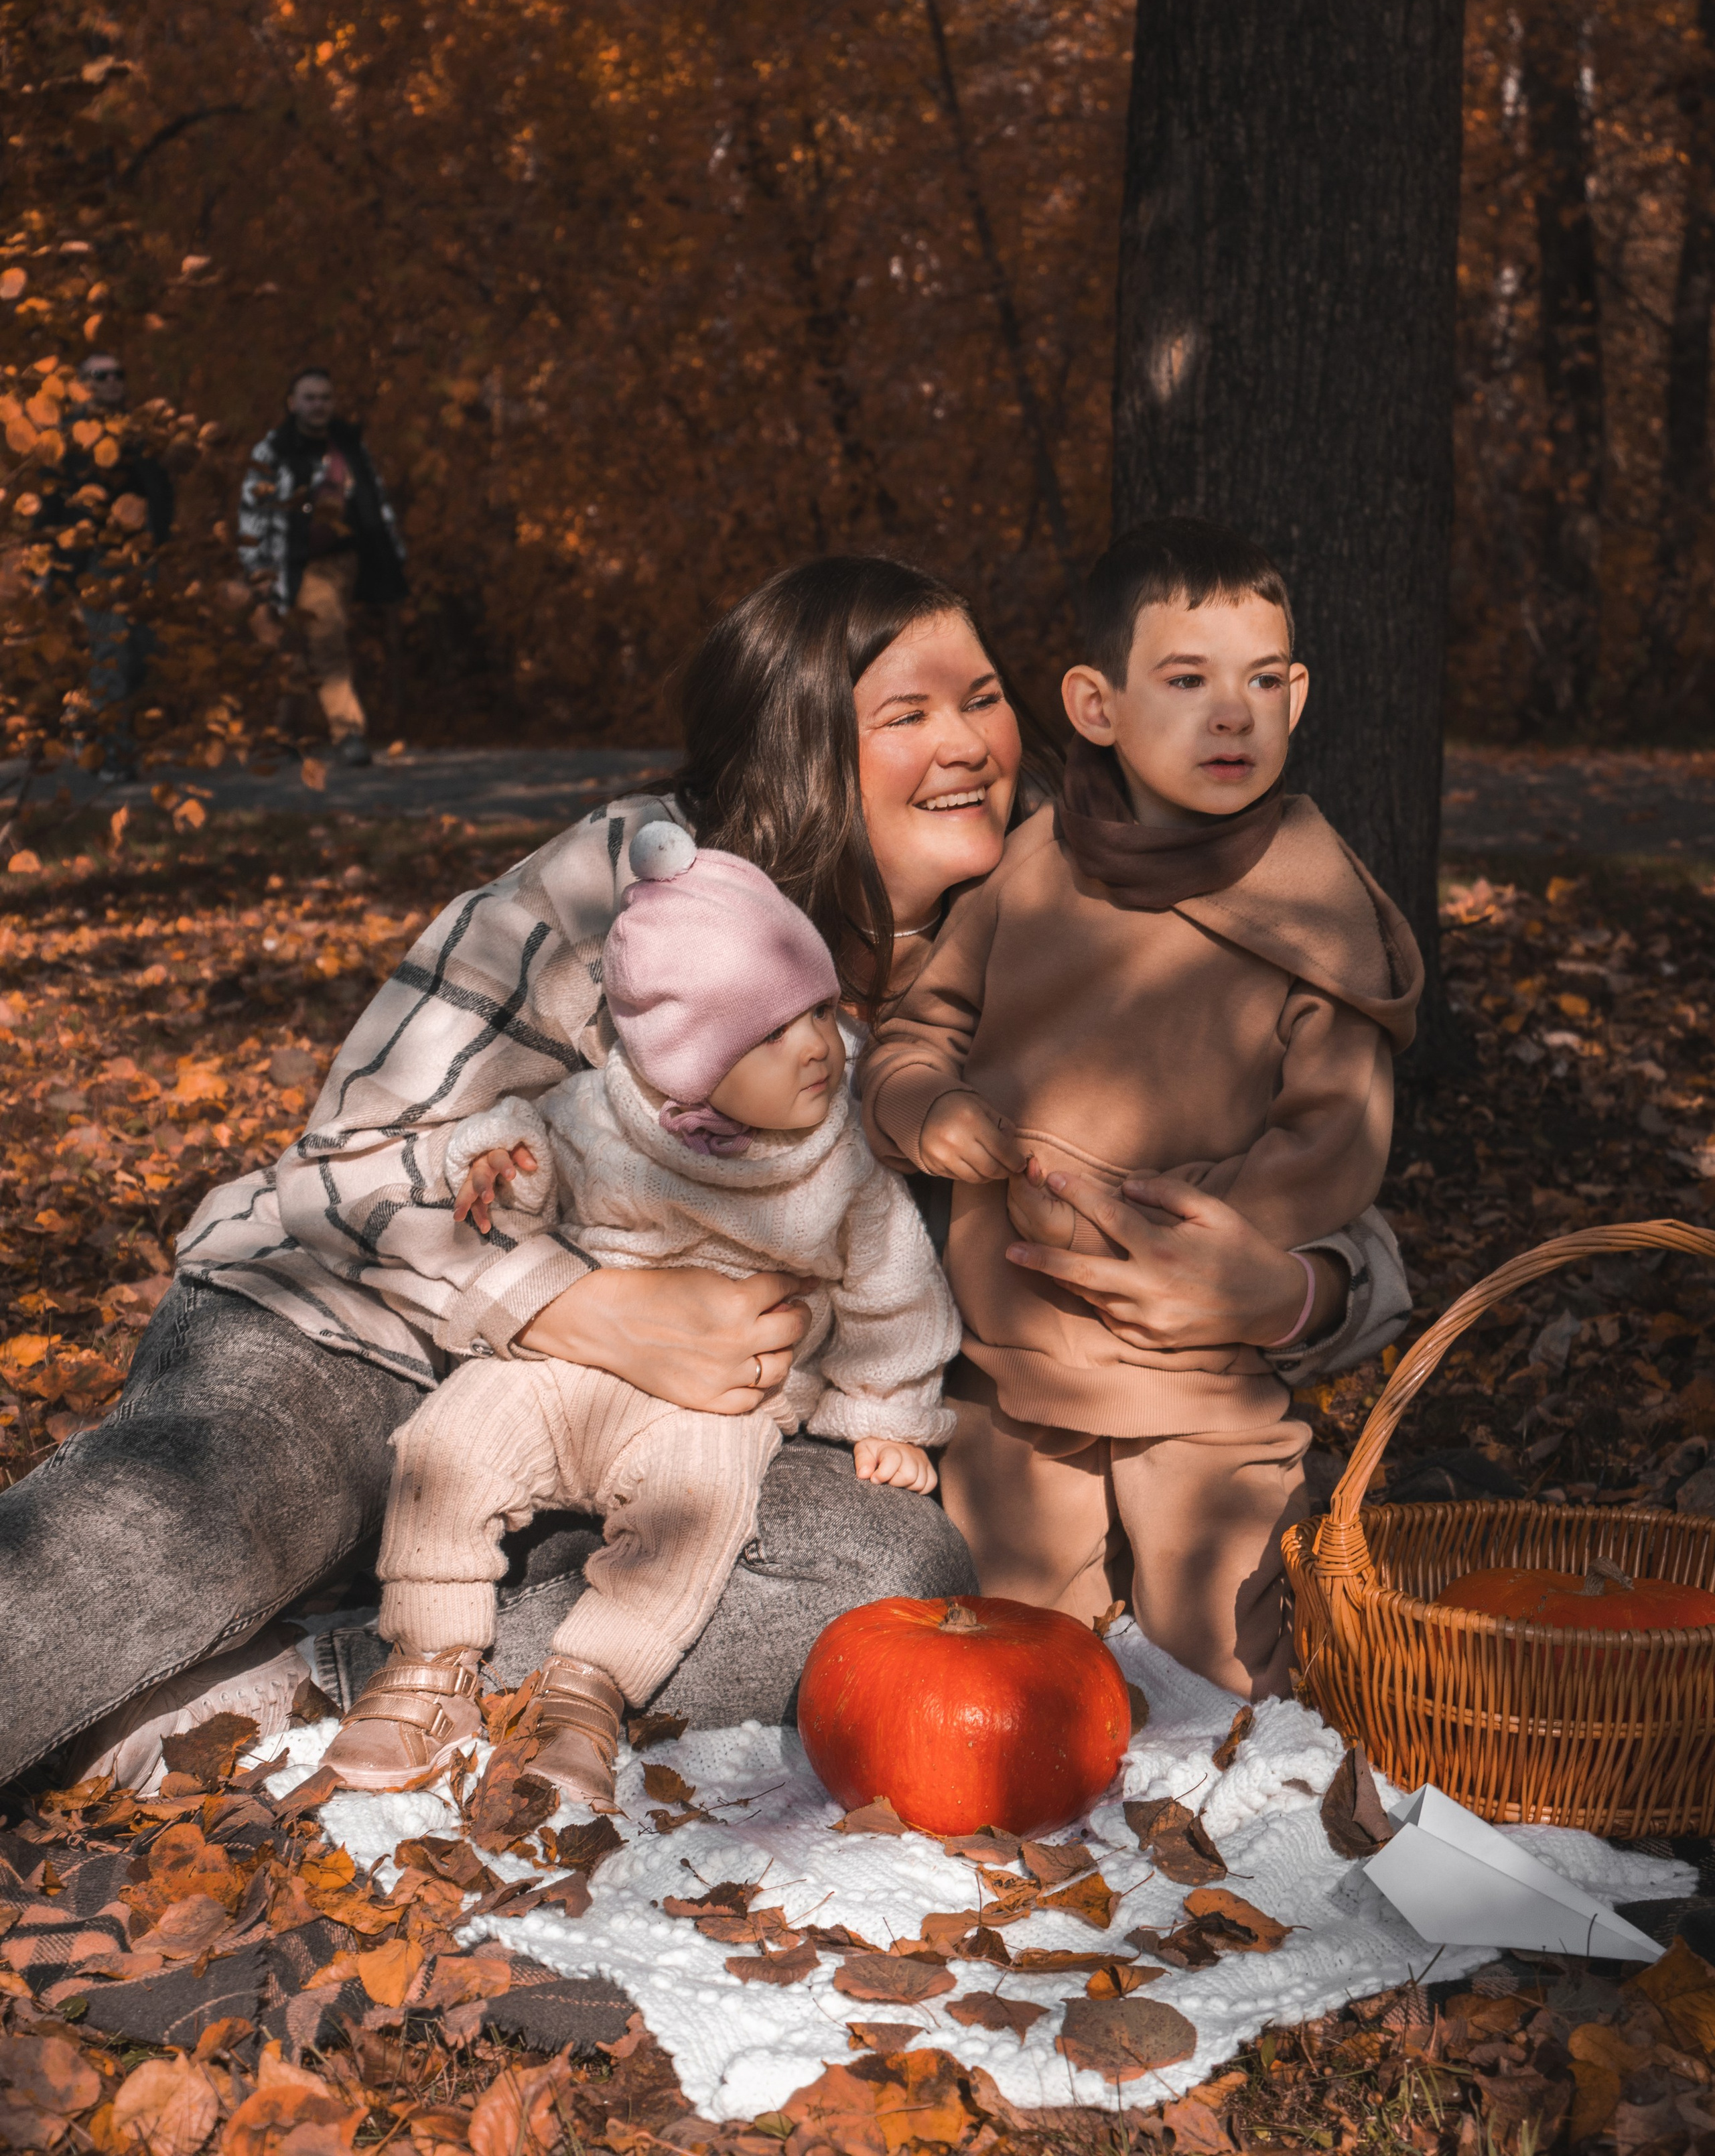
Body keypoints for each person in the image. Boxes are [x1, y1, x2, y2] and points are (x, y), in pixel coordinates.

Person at [0, 553, 1408, 1797]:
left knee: (896, 1577)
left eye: (982, 699)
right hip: (356, 1347)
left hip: (672, 1461)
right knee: (192, 1532)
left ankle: (302, 1683)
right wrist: (566, 1305)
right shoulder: (633, 883)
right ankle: (238, 1592)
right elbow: (341, 1166)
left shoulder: (1055, 923)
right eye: (904, 714)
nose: (971, 742)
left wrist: (1289, 1290)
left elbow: (1325, 1190)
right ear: (804, 749)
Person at [861, 519, 1424, 1698]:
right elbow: (922, 1030)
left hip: (1196, 1367)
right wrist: (930, 1106)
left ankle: (1247, 1837)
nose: (1233, 713)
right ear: (1097, 705)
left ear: (1298, 695)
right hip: (1013, 1363)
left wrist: (1189, 1225)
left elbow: (1336, 1139)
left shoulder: (1319, 912)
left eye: (1264, 682)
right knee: (1013, 1661)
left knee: (1224, 1665)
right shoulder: (1033, 866)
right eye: (1187, 681)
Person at [322, 831, 958, 1800]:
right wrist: (501, 1162)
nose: (822, 1047)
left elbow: (896, 1295)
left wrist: (885, 1417)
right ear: (684, 1060)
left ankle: (588, 1690)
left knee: (700, 1514)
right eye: (775, 1032)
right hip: (559, 1372)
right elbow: (535, 1178)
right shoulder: (604, 1115)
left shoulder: (842, 1166)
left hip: (715, 1407)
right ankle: (426, 1660)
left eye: (826, 1012)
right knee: (449, 1441)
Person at [236, 367, 406, 766]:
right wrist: (255, 568)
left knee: (325, 636)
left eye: (325, 397)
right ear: (292, 403)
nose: (318, 405)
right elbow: (252, 509)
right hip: (282, 562)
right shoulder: (273, 449)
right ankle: (287, 731)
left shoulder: (347, 446)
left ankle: (347, 733)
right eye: (310, 398)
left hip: (335, 561)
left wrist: (392, 553)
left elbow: (375, 500)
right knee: (289, 646)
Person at [33, 354, 175, 777]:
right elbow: (50, 502)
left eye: (119, 373)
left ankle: (85, 724)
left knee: (139, 651)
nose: (113, 381)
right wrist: (46, 563)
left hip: (137, 557)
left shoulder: (139, 432)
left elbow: (162, 492)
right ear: (82, 384)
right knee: (111, 649)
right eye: (101, 375)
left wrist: (158, 543)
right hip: (90, 559)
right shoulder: (65, 436)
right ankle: (112, 753)